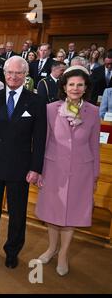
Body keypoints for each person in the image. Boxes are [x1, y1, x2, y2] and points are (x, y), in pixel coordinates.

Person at [0, 56, 47, 269]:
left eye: (18, 73)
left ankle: (12, 250)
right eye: (10, 72)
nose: (13, 76)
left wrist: (36, 168)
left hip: (21, 167)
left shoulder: (35, 101)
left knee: (17, 213)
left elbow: (40, 138)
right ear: (3, 73)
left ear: (25, 76)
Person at [35, 66, 100, 276]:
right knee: (52, 212)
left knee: (72, 214)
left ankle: (63, 254)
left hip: (82, 170)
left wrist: (95, 175)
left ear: (85, 88)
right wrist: (39, 170)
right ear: (64, 86)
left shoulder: (93, 111)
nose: (75, 88)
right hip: (53, 167)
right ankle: (51, 248)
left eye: (80, 84)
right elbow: (42, 141)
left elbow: (94, 146)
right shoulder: (51, 109)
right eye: (71, 84)